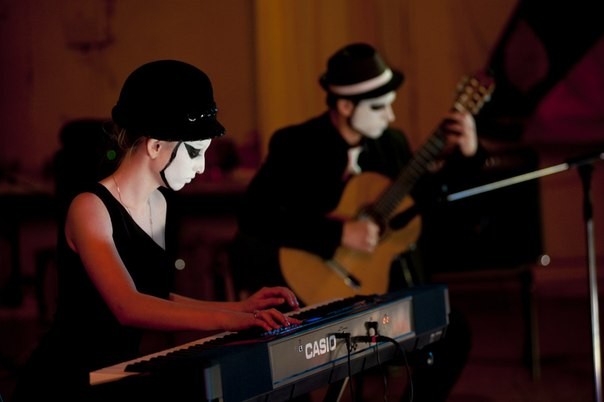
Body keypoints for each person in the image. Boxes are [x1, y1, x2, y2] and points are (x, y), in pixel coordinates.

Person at [11, 60, 300, 402]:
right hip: (66, 381)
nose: (201, 167)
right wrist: (229, 320)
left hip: (115, 373)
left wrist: (241, 308)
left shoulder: (159, 203)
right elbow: (128, 306)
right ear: (155, 146)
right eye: (195, 152)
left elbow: (154, 295)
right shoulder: (89, 207)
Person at [230, 43, 487, 401]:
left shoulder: (391, 144)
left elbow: (428, 202)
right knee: (281, 360)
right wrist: (338, 233)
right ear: (345, 106)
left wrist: (468, 155)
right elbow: (255, 216)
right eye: (379, 107)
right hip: (305, 295)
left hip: (375, 296)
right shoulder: (296, 144)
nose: (390, 116)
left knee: (452, 330)